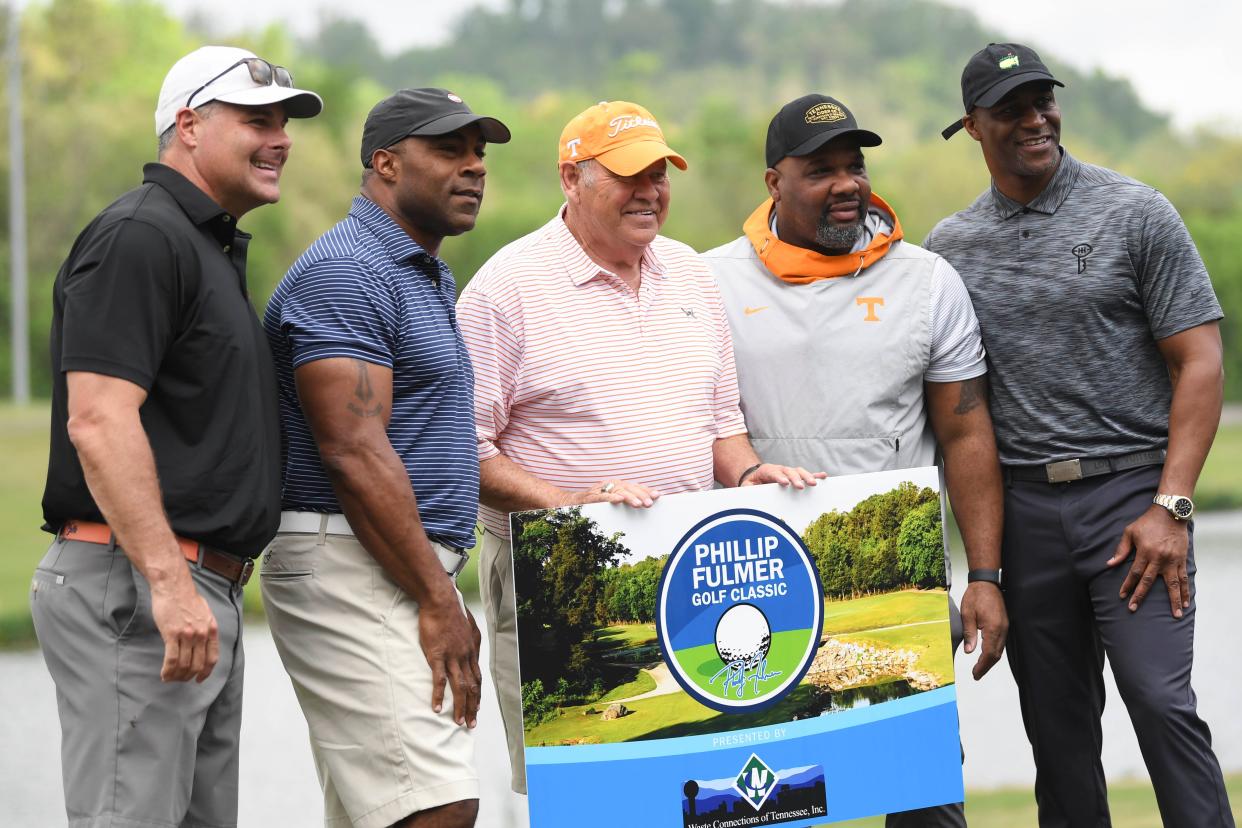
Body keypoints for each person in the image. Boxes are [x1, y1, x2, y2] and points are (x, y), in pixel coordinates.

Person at [456, 100, 821, 796]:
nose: (649, 191)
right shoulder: (505, 290)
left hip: (694, 568)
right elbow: (466, 452)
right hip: (558, 576)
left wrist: (749, 473)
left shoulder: (689, 273)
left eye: (659, 173)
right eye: (628, 176)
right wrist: (572, 506)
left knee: (704, 787)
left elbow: (720, 423)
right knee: (587, 795)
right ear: (571, 179)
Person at [926, 43, 1234, 827]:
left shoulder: (1135, 212)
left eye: (1043, 102)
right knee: (1057, 738)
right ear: (972, 127)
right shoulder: (949, 251)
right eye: (1011, 109)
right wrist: (985, 570)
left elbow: (1199, 361)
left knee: (1161, 704)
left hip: (1133, 498)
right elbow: (962, 418)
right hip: (1026, 512)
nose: (1035, 119)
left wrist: (1172, 505)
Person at [31, 46, 321, 827]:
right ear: (187, 126)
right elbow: (97, 417)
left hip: (190, 589)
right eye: (256, 119)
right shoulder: (140, 236)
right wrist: (168, 582)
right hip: (140, 588)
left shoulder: (203, 245)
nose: (281, 138)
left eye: (284, 122)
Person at [703, 93, 1006, 827]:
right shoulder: (707, 282)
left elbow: (966, 435)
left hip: (883, 578)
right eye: (821, 170)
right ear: (774, 182)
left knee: (923, 803)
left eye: (855, 165)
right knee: (760, 804)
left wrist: (986, 576)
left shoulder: (927, 279)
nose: (847, 183)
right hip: (753, 585)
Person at [260, 88, 510, 828]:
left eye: (480, 154)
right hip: (350, 560)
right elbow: (353, 453)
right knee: (438, 804)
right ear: (386, 163)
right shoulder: (348, 272)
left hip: (390, 560)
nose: (473, 168)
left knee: (384, 810)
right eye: (449, 151)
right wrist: (438, 599)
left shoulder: (415, 271)